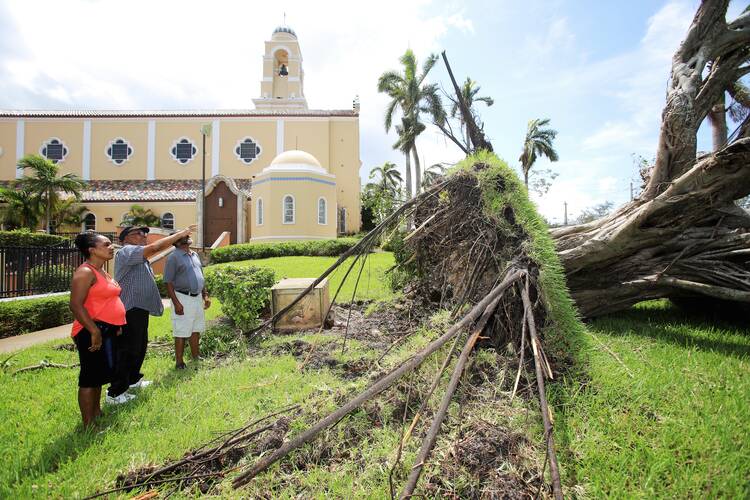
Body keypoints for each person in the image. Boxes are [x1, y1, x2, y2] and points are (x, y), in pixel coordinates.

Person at [108, 224, 197, 402]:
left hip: (139, 309)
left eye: (144, 234)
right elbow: (156, 247)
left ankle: (133, 380)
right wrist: (180, 233)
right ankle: (116, 392)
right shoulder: (126, 251)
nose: (143, 236)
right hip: (130, 308)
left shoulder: (138, 255)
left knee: (139, 347)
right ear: (125, 238)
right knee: (127, 349)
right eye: (138, 234)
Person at [69, 232, 126, 426]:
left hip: (106, 330)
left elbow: (108, 300)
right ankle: (88, 424)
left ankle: (97, 412)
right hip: (90, 330)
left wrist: (116, 325)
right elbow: (76, 305)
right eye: (107, 244)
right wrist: (94, 331)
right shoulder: (85, 272)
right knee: (89, 376)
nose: (111, 247)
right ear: (92, 250)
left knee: (100, 375)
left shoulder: (102, 271)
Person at [163, 235, 210, 368]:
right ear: (175, 242)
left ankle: (196, 357)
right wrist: (177, 303)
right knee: (181, 331)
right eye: (182, 237)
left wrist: (205, 295)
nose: (186, 238)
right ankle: (179, 362)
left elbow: (201, 276)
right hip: (182, 298)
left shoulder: (194, 255)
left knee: (196, 329)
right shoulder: (173, 257)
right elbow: (168, 282)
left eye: (187, 236)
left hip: (196, 298)